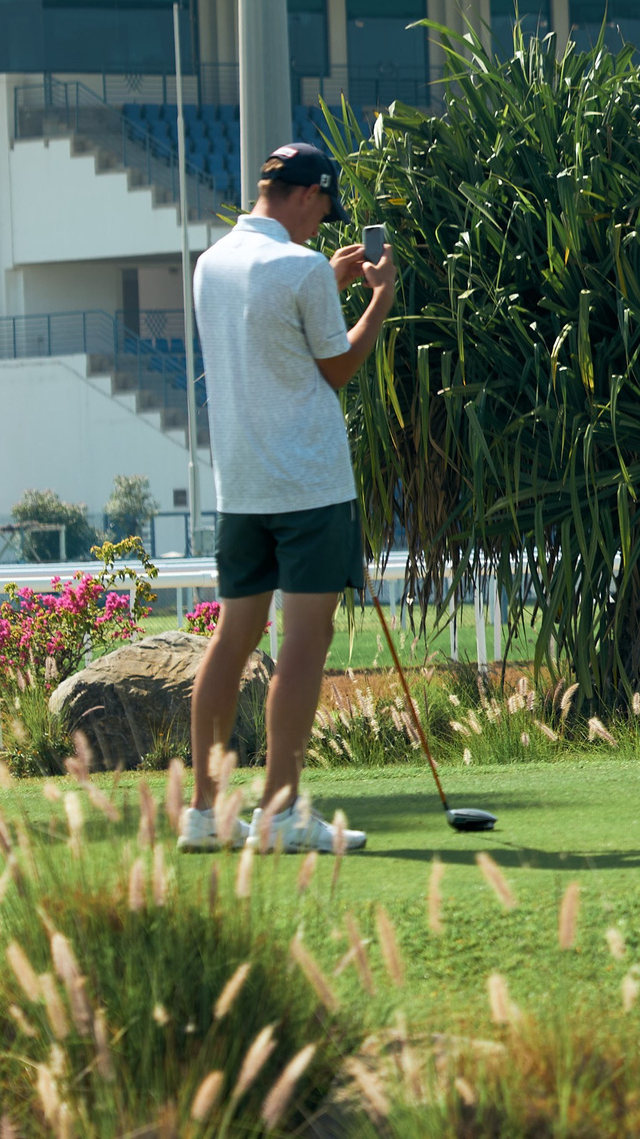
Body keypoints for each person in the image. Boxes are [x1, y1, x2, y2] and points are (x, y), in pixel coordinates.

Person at [180, 143, 396, 853]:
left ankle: (206, 813)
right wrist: (378, 303)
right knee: (307, 640)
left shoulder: (211, 264)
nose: (321, 223)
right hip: (308, 484)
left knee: (231, 639)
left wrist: (320, 286)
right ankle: (279, 809)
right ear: (308, 194)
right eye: (322, 209)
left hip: (240, 487)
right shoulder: (301, 267)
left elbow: (269, 334)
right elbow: (335, 368)